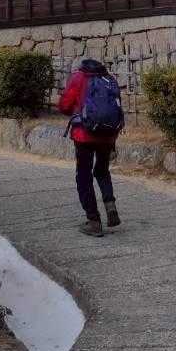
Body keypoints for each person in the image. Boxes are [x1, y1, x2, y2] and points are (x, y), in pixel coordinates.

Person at [58, 57, 124, 237]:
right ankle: (110, 205)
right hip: (108, 135)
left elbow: (64, 106)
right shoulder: (109, 78)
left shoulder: (79, 77)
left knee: (84, 176)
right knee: (102, 171)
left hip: (84, 135)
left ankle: (94, 221)